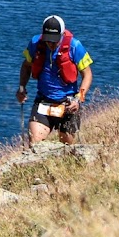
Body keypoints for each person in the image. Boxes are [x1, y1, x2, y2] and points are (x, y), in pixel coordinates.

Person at [16, 15, 93, 146]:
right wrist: (22, 87)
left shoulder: (75, 46)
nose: (51, 44)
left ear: (62, 35)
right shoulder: (35, 44)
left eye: (55, 41)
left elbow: (87, 74)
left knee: (67, 148)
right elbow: (26, 66)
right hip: (43, 101)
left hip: (68, 104)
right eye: (48, 40)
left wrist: (79, 98)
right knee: (34, 145)